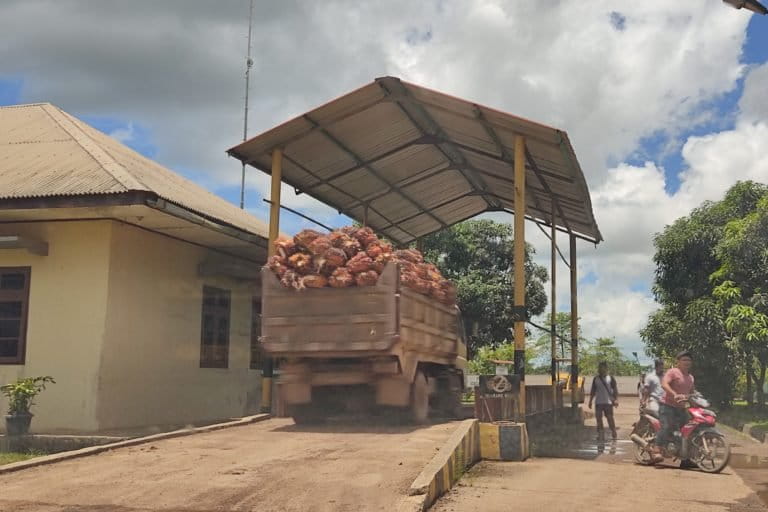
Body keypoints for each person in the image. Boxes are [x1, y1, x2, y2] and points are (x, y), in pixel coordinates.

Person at [651, 350, 695, 463]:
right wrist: (675, 394)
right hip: (667, 406)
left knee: (688, 431)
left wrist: (696, 399)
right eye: (684, 360)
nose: (687, 362)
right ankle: (656, 450)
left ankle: (685, 458)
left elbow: (692, 392)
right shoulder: (673, 372)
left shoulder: (690, 378)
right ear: (678, 362)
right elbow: (664, 384)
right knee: (666, 426)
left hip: (681, 408)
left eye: (689, 360)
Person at [588, 361, 619, 440]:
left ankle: (613, 431)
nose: (600, 369)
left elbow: (615, 390)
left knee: (609, 418)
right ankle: (601, 434)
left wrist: (616, 400)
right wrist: (590, 401)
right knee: (598, 419)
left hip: (608, 402)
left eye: (602, 368)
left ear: (606, 368)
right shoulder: (596, 379)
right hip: (598, 402)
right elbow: (593, 391)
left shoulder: (610, 378)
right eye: (599, 368)